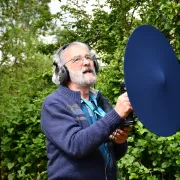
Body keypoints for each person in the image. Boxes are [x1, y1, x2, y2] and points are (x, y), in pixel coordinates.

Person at [41, 42, 133, 180]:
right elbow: (76, 145)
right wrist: (116, 114)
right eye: (77, 59)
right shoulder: (54, 103)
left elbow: (113, 153)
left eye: (88, 58)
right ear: (62, 70)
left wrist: (120, 141)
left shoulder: (101, 101)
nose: (86, 63)